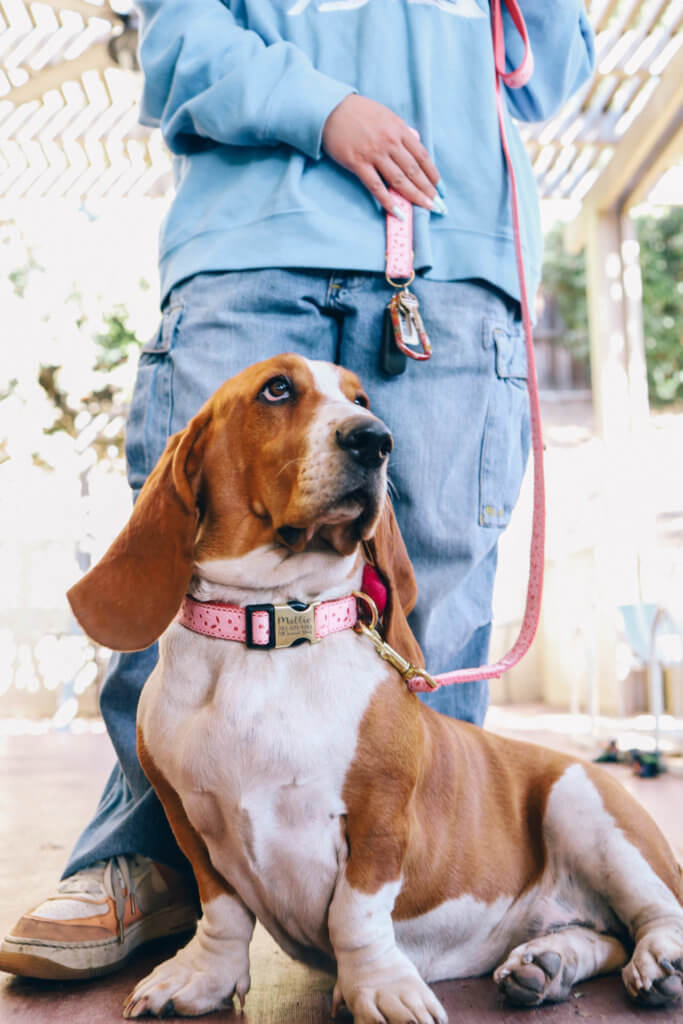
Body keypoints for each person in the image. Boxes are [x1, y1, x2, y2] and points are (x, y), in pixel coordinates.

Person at [0, 0, 594, 981]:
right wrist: (325, 111)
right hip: (251, 242)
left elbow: (546, 76)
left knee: (432, 609)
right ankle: (149, 863)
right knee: (187, 569)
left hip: (454, 254)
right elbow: (180, 36)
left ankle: (426, 904)